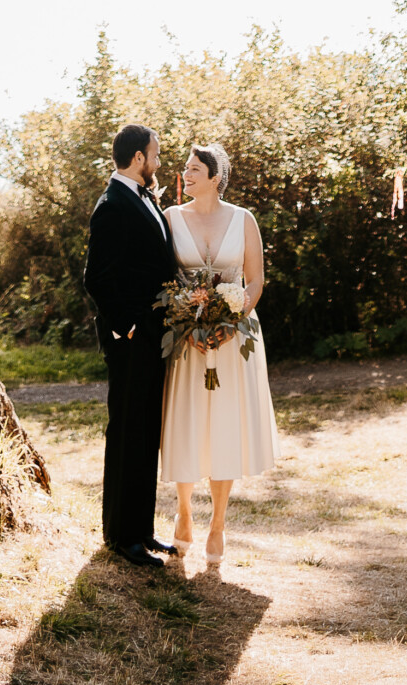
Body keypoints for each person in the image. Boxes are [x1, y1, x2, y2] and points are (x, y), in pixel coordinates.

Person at [161, 143, 278, 564]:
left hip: (234, 341)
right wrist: (186, 323)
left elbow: (255, 282)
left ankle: (218, 524)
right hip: (186, 340)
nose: (185, 175)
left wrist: (231, 322)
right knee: (188, 422)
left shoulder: (243, 220)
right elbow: (166, 281)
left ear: (215, 176)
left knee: (226, 425)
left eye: (194, 169)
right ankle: (185, 512)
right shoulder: (170, 218)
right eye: (184, 169)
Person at [83, 122, 180, 567]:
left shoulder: (142, 199)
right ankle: (121, 536)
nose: (158, 163)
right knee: (126, 431)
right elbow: (98, 279)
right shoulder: (112, 205)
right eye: (155, 155)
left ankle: (142, 530)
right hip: (131, 340)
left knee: (145, 431)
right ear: (138, 158)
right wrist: (127, 328)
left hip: (153, 338)